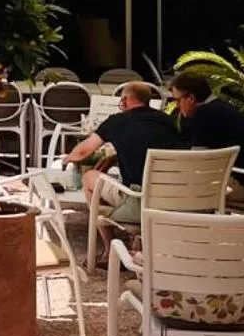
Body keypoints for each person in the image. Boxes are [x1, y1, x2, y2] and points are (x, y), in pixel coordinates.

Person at [60, 80, 183, 233]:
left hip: (138, 199)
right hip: (172, 196)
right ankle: (133, 237)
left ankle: (107, 244)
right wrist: (115, 157)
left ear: (124, 100)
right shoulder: (166, 120)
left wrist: (66, 159)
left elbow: (82, 152)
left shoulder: (117, 121)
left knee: (90, 177)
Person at [167, 69, 244, 204]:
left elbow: (197, 161)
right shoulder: (221, 108)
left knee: (180, 190)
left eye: (178, 100)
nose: (177, 106)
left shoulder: (205, 113)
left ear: (191, 98)